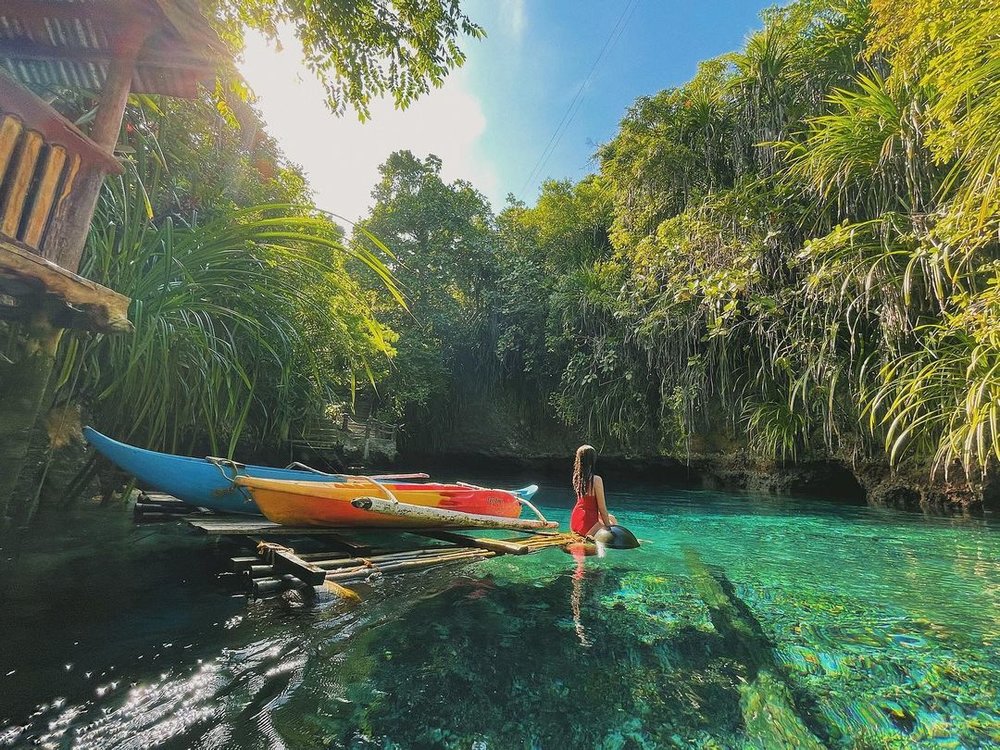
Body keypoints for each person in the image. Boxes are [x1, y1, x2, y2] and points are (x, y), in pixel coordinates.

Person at [569, 444, 616, 537]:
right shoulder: (596, 480)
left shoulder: (577, 478)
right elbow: (602, 508)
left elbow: (586, 504)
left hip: (576, 519)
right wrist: (610, 529)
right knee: (613, 523)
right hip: (588, 523)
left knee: (612, 517)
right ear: (593, 460)